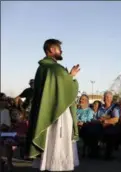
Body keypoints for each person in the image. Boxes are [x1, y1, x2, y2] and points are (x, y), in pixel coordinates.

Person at [25, 39, 80, 171]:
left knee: (50, 142)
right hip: (58, 114)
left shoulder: (42, 68)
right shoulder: (55, 69)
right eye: (59, 48)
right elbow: (67, 88)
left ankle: (49, 165)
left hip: (46, 113)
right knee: (58, 142)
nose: (61, 51)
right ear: (51, 50)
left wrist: (67, 76)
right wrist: (71, 77)